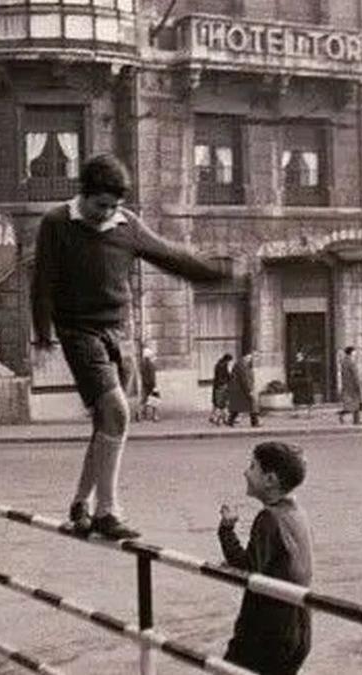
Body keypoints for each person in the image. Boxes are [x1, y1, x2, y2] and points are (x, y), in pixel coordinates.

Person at [31, 153, 227, 539]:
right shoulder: (56, 223)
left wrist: (214, 274)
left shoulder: (127, 224)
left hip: (118, 332)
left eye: (113, 207)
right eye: (100, 206)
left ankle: (80, 504)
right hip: (78, 331)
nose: (106, 214)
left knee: (106, 423)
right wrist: (42, 333)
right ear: (84, 195)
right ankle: (107, 511)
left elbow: (170, 256)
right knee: (117, 412)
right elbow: (42, 283)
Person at [218, 441, 313, 675]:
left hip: (266, 630)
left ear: (270, 480)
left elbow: (248, 568)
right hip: (297, 626)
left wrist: (226, 530)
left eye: (253, 467)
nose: (245, 473)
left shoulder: (269, 518)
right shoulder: (296, 512)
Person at [227, 352, 260, 428]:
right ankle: (255, 422)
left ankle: (230, 420)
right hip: (241, 389)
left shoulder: (242, 364)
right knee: (252, 403)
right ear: (247, 356)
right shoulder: (243, 365)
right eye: (251, 357)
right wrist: (249, 389)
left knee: (238, 406)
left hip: (239, 389)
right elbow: (244, 378)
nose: (252, 359)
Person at [337, 346, 362, 426]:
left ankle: (356, 420)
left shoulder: (344, 361)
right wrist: (358, 384)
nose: (355, 353)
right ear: (351, 352)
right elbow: (355, 374)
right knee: (355, 403)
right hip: (352, 385)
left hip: (347, 384)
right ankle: (353, 419)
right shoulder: (351, 362)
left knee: (353, 404)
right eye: (354, 351)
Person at [210, 354, 233, 425]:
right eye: (229, 361)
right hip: (220, 386)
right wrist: (225, 383)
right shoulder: (221, 366)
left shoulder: (221, 365)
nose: (230, 363)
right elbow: (222, 377)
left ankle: (217, 418)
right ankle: (219, 419)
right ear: (227, 360)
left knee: (219, 404)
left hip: (219, 386)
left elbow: (227, 375)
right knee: (221, 404)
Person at [139, 349, 158, 423]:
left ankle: (141, 414)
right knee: (155, 400)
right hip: (151, 384)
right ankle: (154, 416)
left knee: (144, 400)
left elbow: (142, 375)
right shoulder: (151, 365)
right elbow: (152, 376)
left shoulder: (142, 365)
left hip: (144, 384)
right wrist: (153, 385)